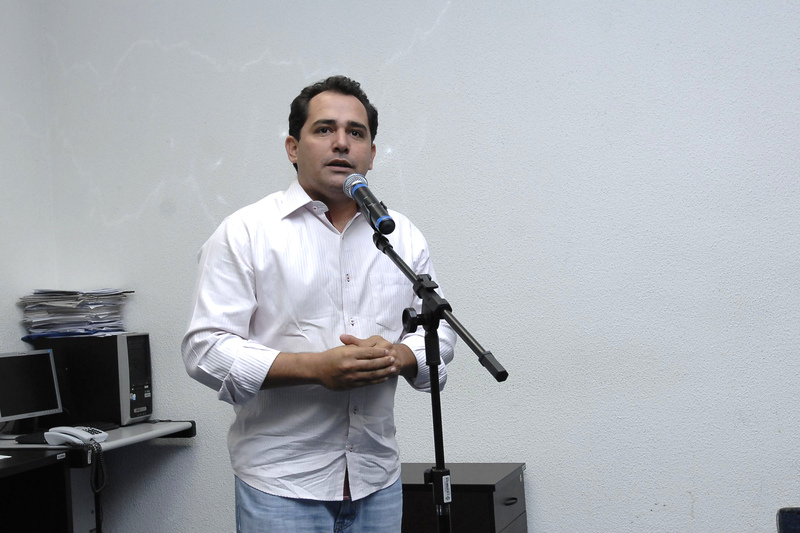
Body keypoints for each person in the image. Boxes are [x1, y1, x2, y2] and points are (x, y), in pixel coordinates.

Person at [182, 75, 456, 532]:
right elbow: (204, 350)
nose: (341, 143)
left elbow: (440, 329)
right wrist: (315, 368)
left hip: (377, 479)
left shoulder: (401, 235)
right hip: (281, 484)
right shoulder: (245, 232)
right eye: (325, 129)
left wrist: (398, 356)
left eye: (356, 133)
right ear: (293, 147)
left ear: (371, 153)